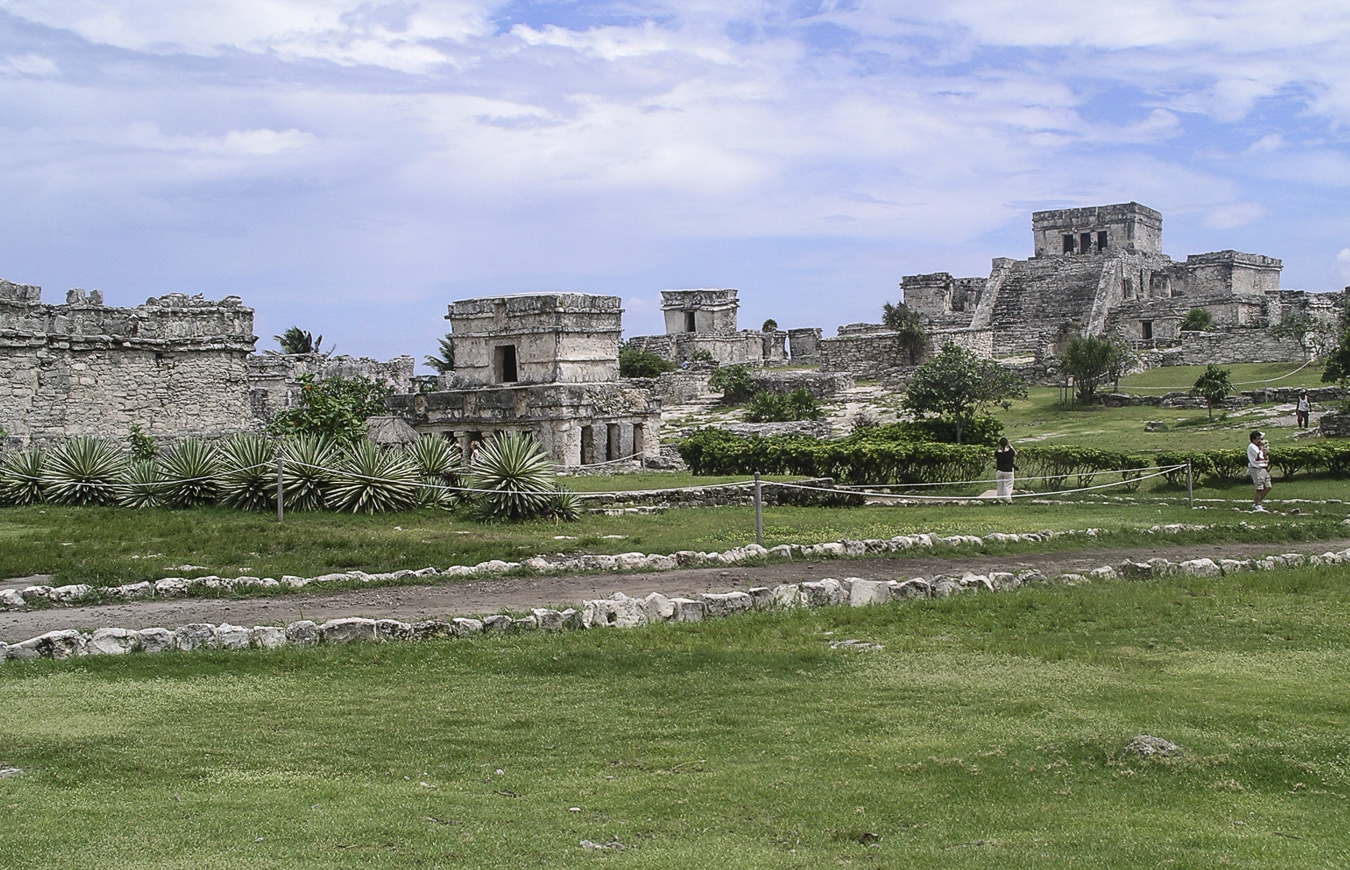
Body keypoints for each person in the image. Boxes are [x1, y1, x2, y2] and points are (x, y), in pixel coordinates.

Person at [1247, 430, 1271, 512]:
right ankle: (1257, 504)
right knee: (1259, 487)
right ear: (1253, 440)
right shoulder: (1252, 447)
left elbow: (1266, 455)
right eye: (1258, 439)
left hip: (1263, 468)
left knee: (1268, 486)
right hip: (1256, 468)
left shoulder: (1259, 447)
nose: (1260, 440)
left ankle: (1258, 502)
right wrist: (1262, 449)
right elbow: (1259, 456)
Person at [994, 436, 1017, 503]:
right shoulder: (1010, 451)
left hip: (999, 470)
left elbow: (995, 456)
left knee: (999, 485)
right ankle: (1007, 499)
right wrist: (1010, 446)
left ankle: (1000, 499)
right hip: (1008, 471)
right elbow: (1015, 453)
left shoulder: (997, 452)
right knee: (1008, 486)